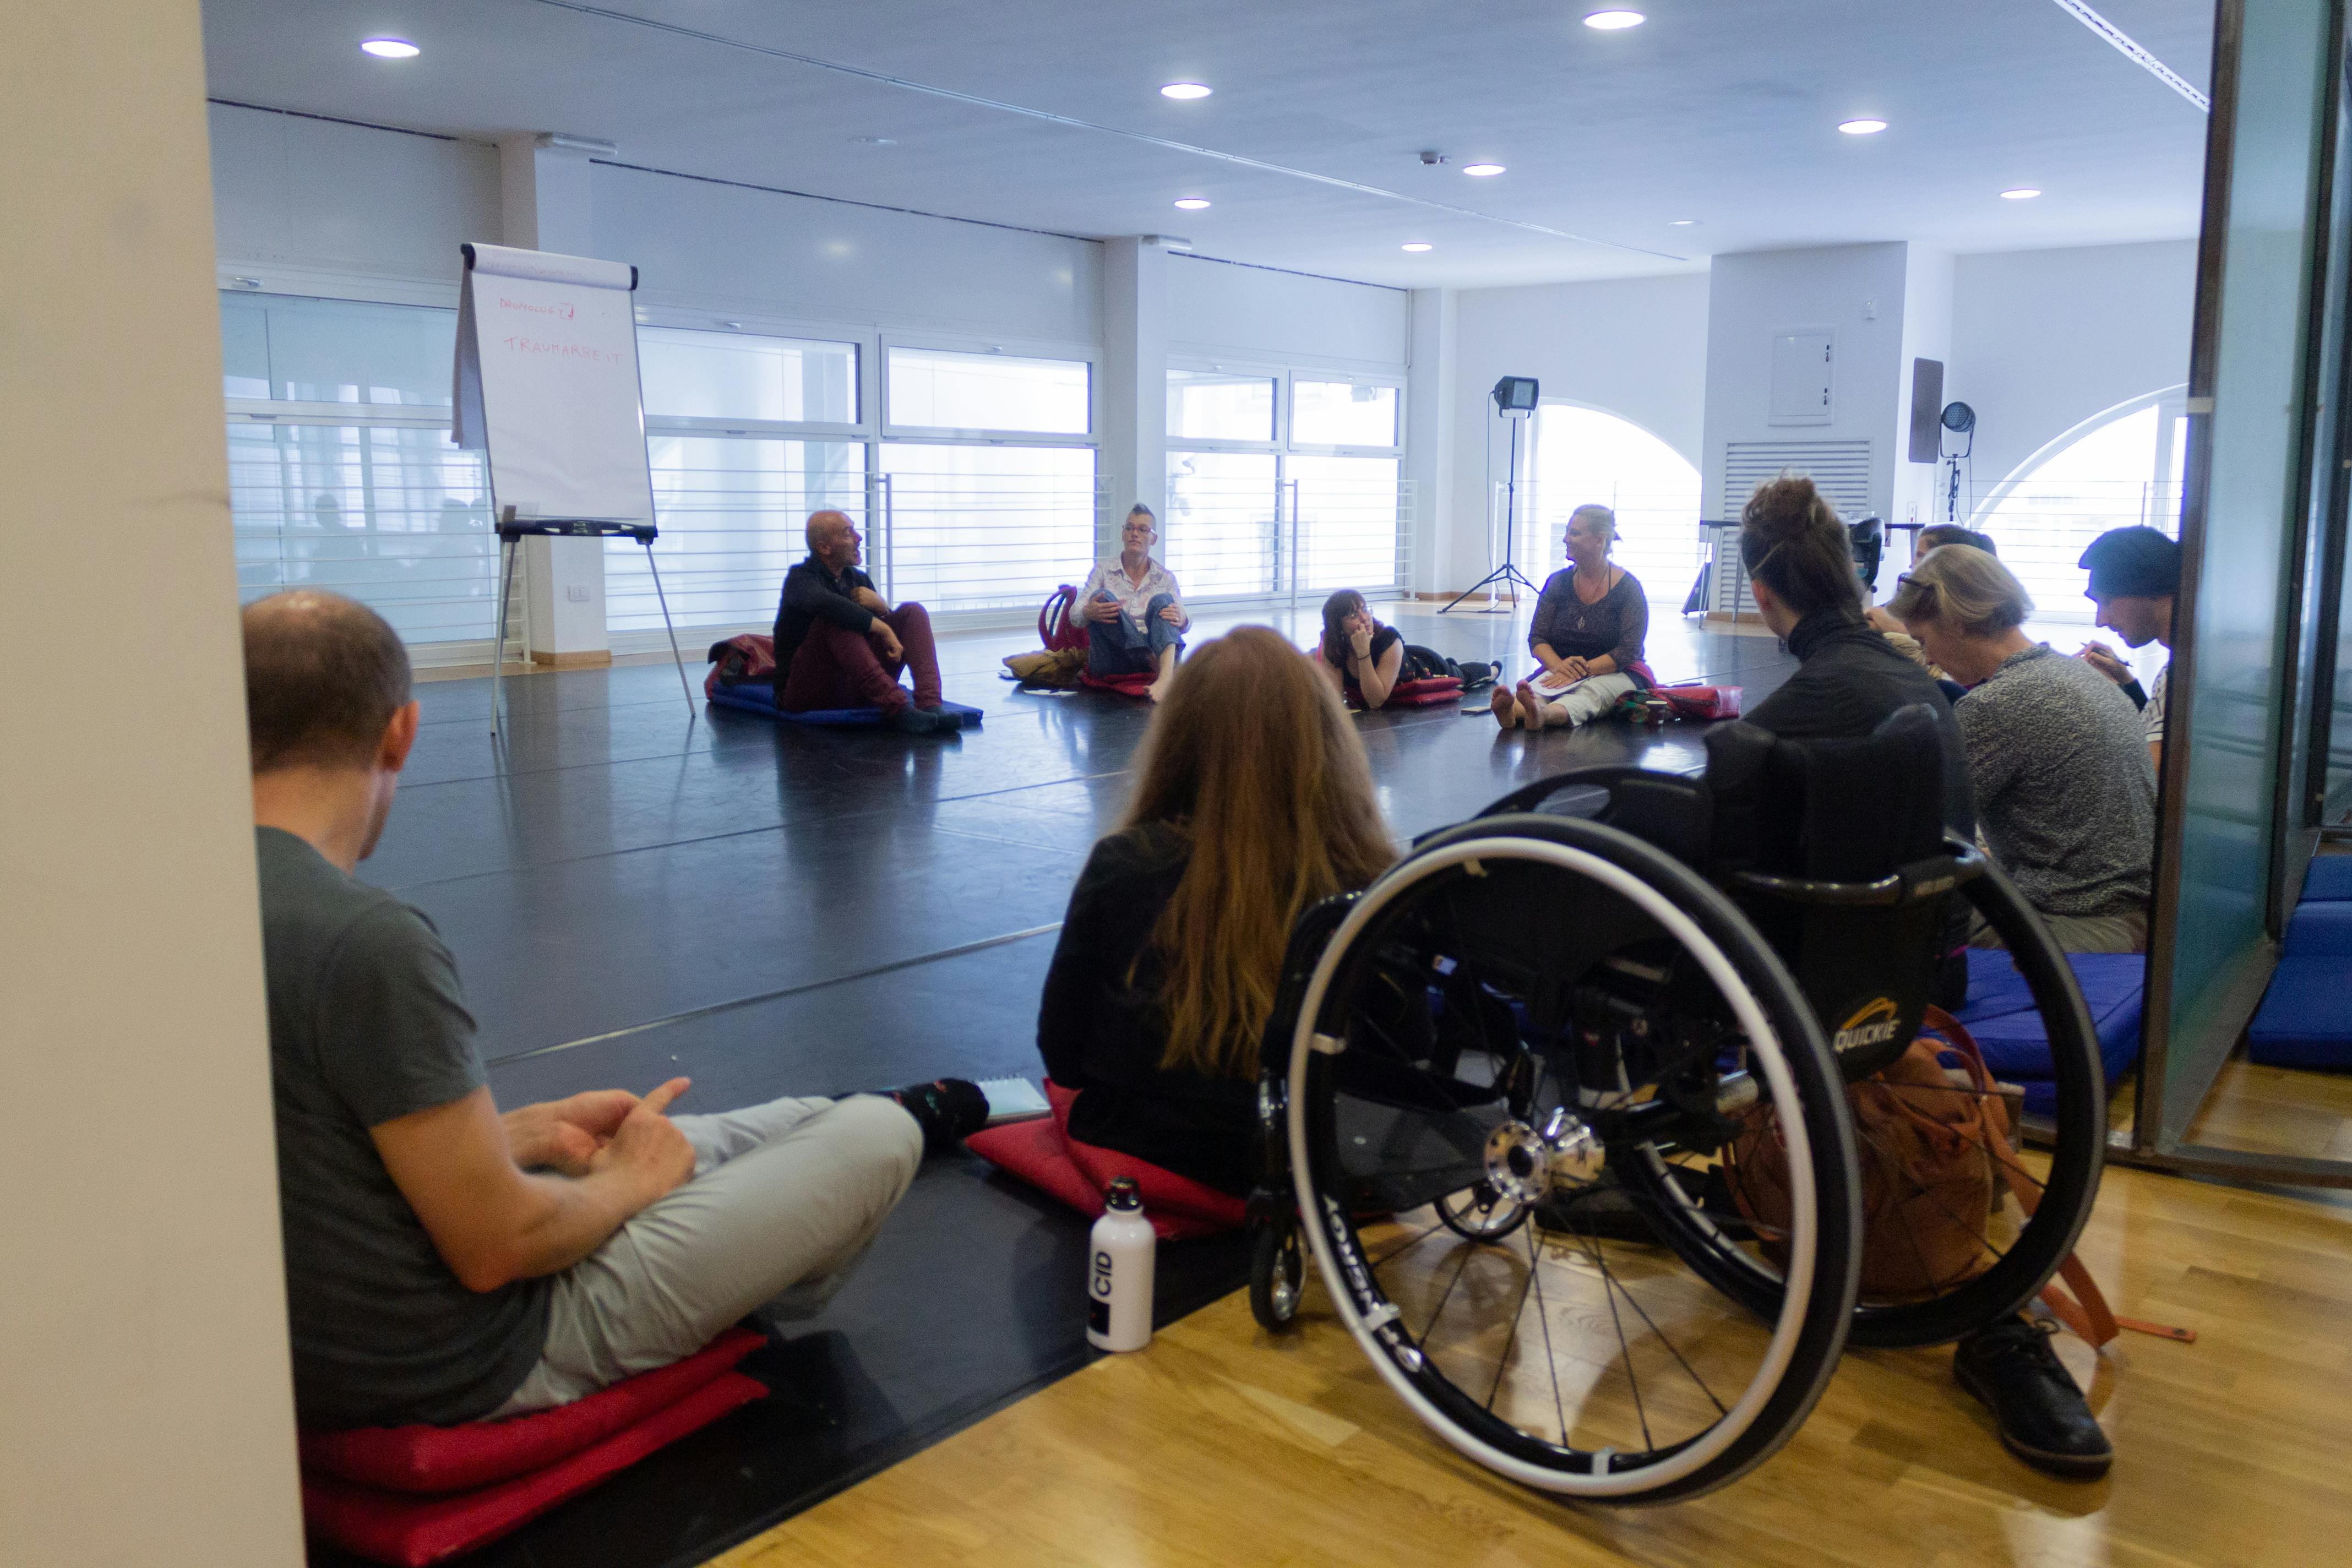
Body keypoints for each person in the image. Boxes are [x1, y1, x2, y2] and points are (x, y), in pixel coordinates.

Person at [245, 590, 984, 1430]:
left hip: (333, 1315)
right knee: (877, 1141)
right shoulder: (365, 942)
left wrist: (512, 1135)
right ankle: (865, 1145)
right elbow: (498, 1249)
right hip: (468, 1358)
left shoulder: (186, 908)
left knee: (725, 1132)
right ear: (401, 731)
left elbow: (305, 1134)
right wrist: (629, 1187)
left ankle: (829, 1127)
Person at [1735, 478, 2111, 1483]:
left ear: (1766, 594)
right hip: (1923, 957)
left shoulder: (1784, 717)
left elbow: (1732, 900)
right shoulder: (1918, 692)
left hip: (1826, 991)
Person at [1035, 626, 1395, 1194]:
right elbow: (1403, 1063)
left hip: (1142, 1149)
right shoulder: (1366, 883)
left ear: (1178, 740)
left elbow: (1063, 1055)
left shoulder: (1124, 864)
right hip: (1314, 1159)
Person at [1890, 545, 2155, 954]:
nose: (1929, 658)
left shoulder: (1999, 702)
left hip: (2081, 925)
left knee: (1894, 909)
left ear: (1956, 621)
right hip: (2135, 913)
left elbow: (1914, 824)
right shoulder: (2080, 676)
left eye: (1924, 640)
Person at [774, 509, 957, 734]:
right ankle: (898, 709)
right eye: (848, 533)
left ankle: (931, 705)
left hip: (856, 686)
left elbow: (878, 637)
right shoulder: (799, 579)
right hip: (808, 692)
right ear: (824, 548)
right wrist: (883, 628)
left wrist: (883, 608)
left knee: (913, 611)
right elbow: (829, 606)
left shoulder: (858, 579)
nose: (859, 538)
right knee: (837, 620)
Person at [1495, 504, 1648, 730]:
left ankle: (1543, 715)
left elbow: (1629, 650)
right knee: (1536, 689)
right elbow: (1538, 638)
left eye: (1574, 533)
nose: (1566, 539)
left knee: (1590, 694)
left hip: (1616, 672)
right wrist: (1559, 668)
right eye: (1567, 532)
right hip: (1561, 669)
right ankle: (1512, 713)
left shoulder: (1628, 589)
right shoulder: (1557, 582)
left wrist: (1579, 671)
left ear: (1600, 540)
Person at [2075, 525, 2179, 773]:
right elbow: (2156, 731)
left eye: (2108, 601)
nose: (2101, 620)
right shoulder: (2176, 671)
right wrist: (2126, 682)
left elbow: (2146, 782)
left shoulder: (2186, 676)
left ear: (2150, 588)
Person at [1080, 504, 1188, 702]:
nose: (1134, 534)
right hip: (1113, 659)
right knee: (1102, 597)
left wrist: (1184, 620)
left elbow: (1183, 620)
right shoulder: (1102, 571)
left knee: (1163, 601)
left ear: (1153, 539)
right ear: (1123, 534)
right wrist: (1088, 612)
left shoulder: (1165, 578)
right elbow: (1074, 614)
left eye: (1142, 529)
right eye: (1129, 528)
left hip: (1159, 652)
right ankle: (1148, 658)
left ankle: (1164, 679)